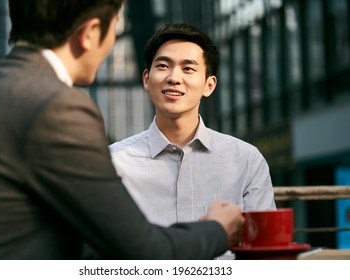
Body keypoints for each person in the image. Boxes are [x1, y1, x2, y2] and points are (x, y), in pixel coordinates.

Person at [0, 0, 245, 259]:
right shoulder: (56, 106)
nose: (110, 44)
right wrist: (218, 229)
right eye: (113, 29)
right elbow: (145, 252)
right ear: (90, 33)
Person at [109, 23, 275, 228]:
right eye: (162, 66)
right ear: (146, 79)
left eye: (188, 68)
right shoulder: (114, 162)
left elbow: (263, 247)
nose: (173, 78)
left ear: (209, 85)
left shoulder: (246, 161)